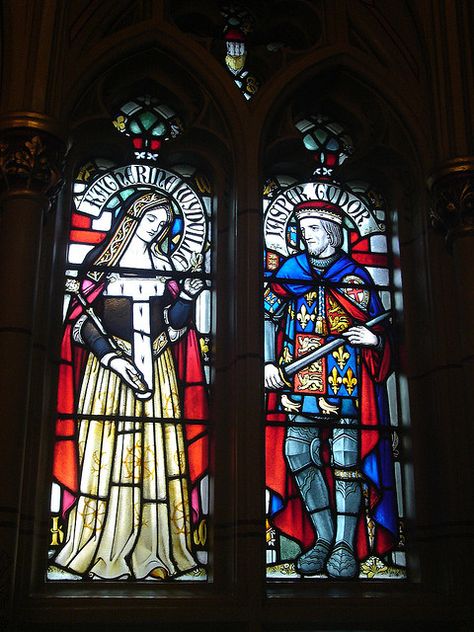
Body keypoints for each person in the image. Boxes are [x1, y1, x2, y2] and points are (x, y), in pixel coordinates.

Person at [52, 191, 207, 580]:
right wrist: (113, 358)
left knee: (159, 456)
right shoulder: (100, 266)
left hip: (157, 368)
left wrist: (187, 293)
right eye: (151, 219)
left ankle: (158, 549)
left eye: (163, 223)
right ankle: (100, 545)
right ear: (133, 217)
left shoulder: (167, 266)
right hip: (110, 375)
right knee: (103, 457)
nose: (157, 229)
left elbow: (174, 328)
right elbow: (83, 323)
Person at [264, 200, 397, 578]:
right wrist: (269, 362)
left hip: (346, 382)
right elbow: (267, 315)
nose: (305, 236)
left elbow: (380, 330)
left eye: (313, 230)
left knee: (345, 460)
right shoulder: (291, 271)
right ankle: (322, 538)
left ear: (333, 232)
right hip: (300, 380)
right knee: (297, 454)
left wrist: (372, 338)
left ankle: (344, 544)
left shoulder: (353, 276)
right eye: (302, 231)